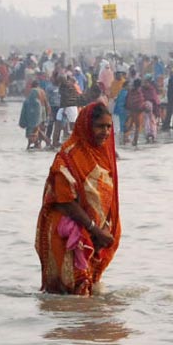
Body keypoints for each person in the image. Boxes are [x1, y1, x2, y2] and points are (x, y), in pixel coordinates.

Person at [36, 102, 121, 295]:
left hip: (94, 236)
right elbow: (65, 202)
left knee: (87, 297)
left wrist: (102, 231)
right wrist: (94, 229)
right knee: (72, 295)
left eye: (109, 127)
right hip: (67, 233)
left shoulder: (104, 155)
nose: (105, 132)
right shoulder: (68, 157)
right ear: (86, 126)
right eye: (100, 126)